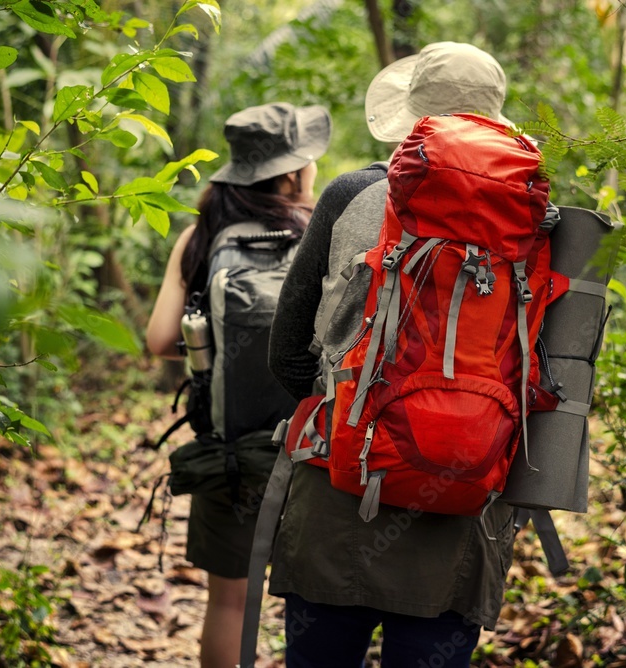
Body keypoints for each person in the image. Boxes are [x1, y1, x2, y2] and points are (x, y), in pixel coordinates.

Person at [266, 42, 520, 667]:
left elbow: (287, 352)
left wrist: (350, 413)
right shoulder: (534, 219)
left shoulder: (351, 195)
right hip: (463, 497)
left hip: (338, 487)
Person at [146, 101, 332, 668]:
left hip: (229, 454)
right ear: (292, 172)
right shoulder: (322, 235)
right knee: (316, 600)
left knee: (228, 601)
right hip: (313, 450)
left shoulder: (202, 237)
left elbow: (157, 339)